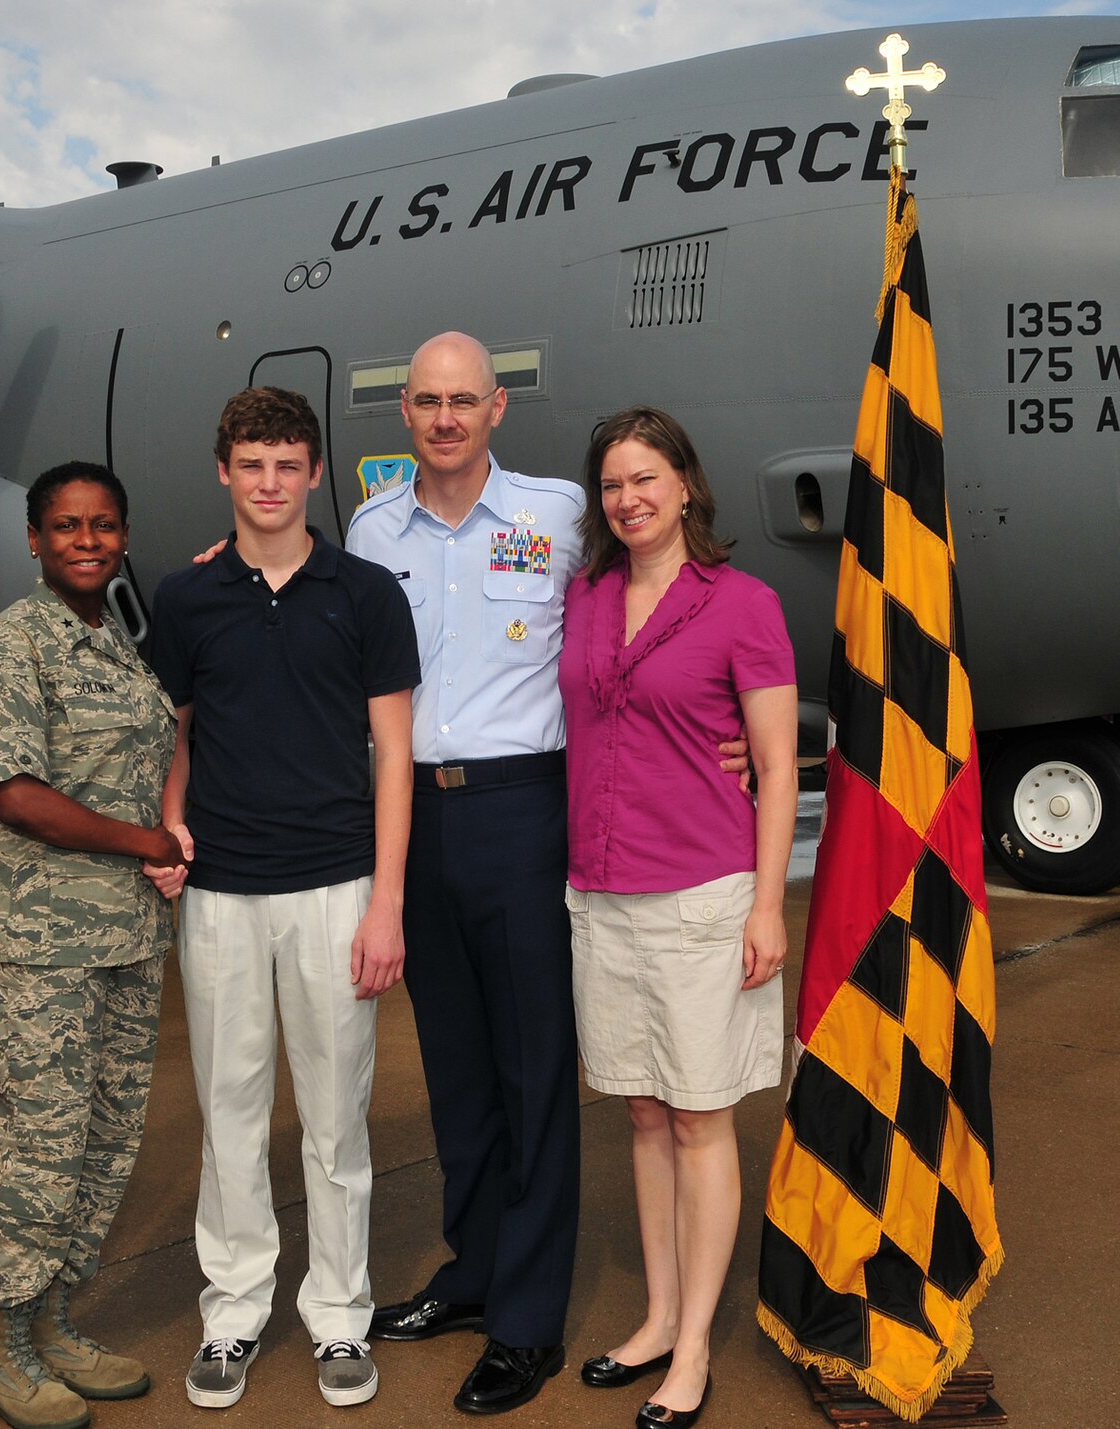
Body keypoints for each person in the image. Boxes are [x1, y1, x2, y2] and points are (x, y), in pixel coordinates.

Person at [149, 386, 419, 1412]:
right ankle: (232, 1312)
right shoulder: (185, 598)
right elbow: (175, 733)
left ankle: (340, 1316)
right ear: (224, 472)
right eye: (250, 464)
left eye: (286, 464)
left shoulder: (364, 593)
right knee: (227, 1110)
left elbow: (392, 752)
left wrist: (385, 902)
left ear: (314, 473)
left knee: (336, 1118)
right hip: (218, 894)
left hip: (336, 887)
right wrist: (170, 830)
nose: (268, 483)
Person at [345, 331, 587, 1415]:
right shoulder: (369, 526)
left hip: (520, 808)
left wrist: (723, 727)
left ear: (496, 407)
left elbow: (641, 621)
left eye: (463, 401)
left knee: (534, 1070)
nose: (445, 418)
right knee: (454, 1068)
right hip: (412, 817)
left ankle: (527, 1318)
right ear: (404, 411)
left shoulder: (558, 514)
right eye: (426, 402)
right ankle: (474, 1271)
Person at [559, 408, 797, 1429]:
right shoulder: (583, 596)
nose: (629, 498)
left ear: (685, 485)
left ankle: (694, 1344)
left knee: (700, 1118)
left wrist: (766, 901)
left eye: (646, 478)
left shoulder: (741, 604)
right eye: (612, 483)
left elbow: (778, 765)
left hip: (703, 898)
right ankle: (655, 1315)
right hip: (599, 895)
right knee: (642, 1112)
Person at [0, 461, 189, 1429]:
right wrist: (151, 843)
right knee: (41, 1147)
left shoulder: (115, 641)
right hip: (40, 942)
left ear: (124, 534)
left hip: (124, 937)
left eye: (101, 525)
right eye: (64, 526)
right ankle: (0, 1347)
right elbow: (18, 795)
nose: (84, 540)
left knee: (101, 1140)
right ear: (34, 539)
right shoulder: (12, 646)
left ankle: (51, 1323)